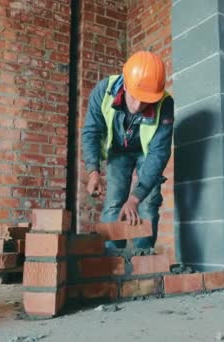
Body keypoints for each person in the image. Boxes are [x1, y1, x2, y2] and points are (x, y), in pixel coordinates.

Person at [81, 51, 174, 249]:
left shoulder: (165, 103)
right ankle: (112, 263)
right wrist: (93, 171)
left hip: (146, 152)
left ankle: (143, 262)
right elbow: (91, 131)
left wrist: (135, 197)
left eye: (146, 100)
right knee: (114, 203)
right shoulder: (103, 91)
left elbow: (159, 153)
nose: (139, 105)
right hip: (118, 150)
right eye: (135, 97)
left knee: (147, 203)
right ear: (125, 84)